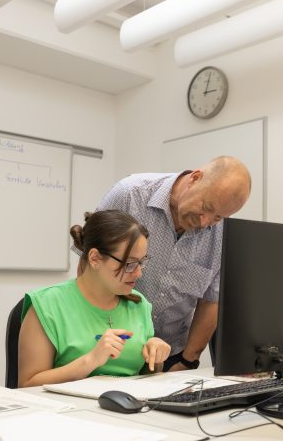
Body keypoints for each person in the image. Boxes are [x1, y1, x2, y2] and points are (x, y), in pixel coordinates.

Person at [95, 156, 251, 371]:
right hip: (114, 348)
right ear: (195, 178)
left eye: (217, 217)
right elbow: (89, 269)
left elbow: (211, 300)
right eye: (205, 207)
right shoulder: (129, 195)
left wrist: (188, 360)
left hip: (170, 356)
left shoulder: (222, 232)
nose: (205, 222)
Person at [18, 210, 170, 387]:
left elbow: (146, 378)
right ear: (95, 258)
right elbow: (28, 385)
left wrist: (156, 355)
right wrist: (90, 360)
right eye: (129, 264)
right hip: (67, 411)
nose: (139, 273)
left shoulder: (139, 304)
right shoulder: (47, 305)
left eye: (141, 262)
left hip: (126, 411)